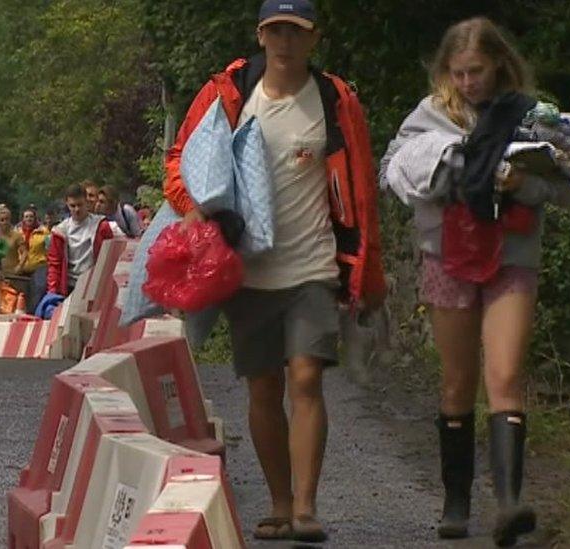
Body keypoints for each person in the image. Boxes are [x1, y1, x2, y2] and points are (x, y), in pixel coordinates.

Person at [164, 1, 386, 542]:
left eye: (296, 32)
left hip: (312, 266)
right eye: (276, 31)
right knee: (264, 389)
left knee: (307, 378)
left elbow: (360, 186)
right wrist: (197, 203)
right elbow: (180, 162)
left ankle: (307, 508)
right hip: (248, 271)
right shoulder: (230, 94)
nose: (285, 42)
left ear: (313, 40)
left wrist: (367, 273)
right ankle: (280, 503)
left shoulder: (335, 99)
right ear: (261, 36)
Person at [379, 17, 570, 546]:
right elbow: (394, 172)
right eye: (459, 72)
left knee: (506, 374)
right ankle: (456, 502)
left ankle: (510, 504)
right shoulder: (427, 116)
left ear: (498, 65)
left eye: (478, 71)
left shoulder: (530, 117)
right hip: (447, 254)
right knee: (456, 381)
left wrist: (523, 181)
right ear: (446, 71)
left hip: (512, 253)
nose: (469, 82)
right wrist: (450, 169)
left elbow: (565, 185)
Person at [46, 183, 115, 297]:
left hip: (93, 286)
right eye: (73, 206)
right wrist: (52, 293)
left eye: (80, 205)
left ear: (87, 202)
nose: (77, 209)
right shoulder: (60, 231)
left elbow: (111, 258)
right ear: (67, 204)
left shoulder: (101, 226)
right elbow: (55, 264)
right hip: (69, 286)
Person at [0, 204, 27, 313]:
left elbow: (25, 252)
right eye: (2, 220)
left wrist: (20, 266)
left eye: (7, 219)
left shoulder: (16, 235)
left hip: (14, 274)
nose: (5, 222)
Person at [19, 207, 50, 314]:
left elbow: (50, 248)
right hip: (22, 268)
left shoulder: (44, 232)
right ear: (23, 219)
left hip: (39, 266)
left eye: (31, 216)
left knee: (39, 287)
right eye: (26, 217)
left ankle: (34, 312)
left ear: (35, 218)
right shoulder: (17, 233)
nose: (29, 219)